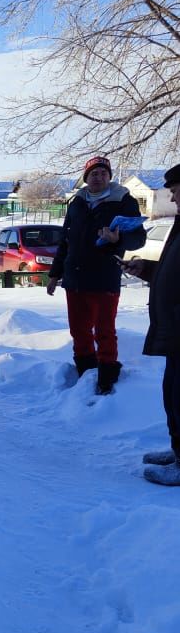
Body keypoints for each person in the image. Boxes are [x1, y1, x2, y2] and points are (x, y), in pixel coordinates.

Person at [47, 155, 145, 394]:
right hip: (75, 278)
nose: (98, 177)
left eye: (103, 173)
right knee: (78, 330)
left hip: (104, 277)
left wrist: (119, 238)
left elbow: (138, 238)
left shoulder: (123, 200)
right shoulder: (77, 202)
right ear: (86, 178)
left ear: (109, 177)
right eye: (93, 173)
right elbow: (65, 241)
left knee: (104, 330)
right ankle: (85, 371)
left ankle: (106, 376)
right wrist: (54, 273)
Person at [122, 164, 180, 485]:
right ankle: (178, 449)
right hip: (173, 326)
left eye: (175, 190)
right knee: (171, 392)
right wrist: (147, 268)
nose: (171, 196)